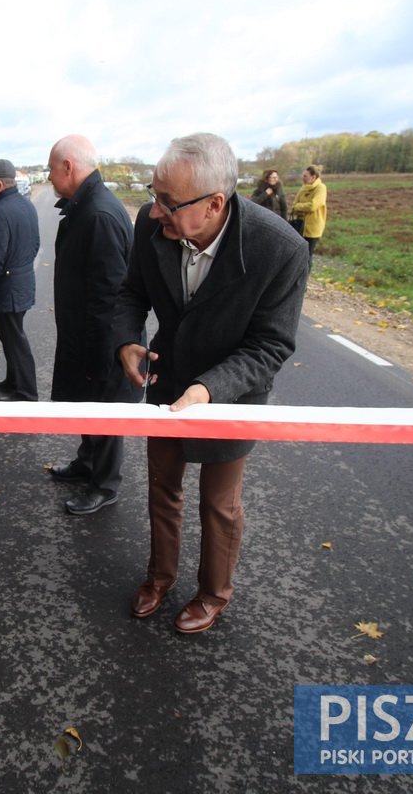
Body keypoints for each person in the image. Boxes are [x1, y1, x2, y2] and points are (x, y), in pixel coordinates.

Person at [113, 133, 309, 634]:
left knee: (220, 504)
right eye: (154, 195)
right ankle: (160, 577)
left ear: (215, 203)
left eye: (167, 201)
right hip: (167, 378)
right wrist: (127, 341)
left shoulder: (279, 249)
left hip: (232, 392)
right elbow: (132, 292)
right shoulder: (150, 221)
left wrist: (207, 389)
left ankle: (214, 592)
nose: (155, 211)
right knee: (163, 488)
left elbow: (270, 346)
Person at [45, 134, 135, 516]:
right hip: (84, 333)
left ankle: (105, 484)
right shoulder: (86, 206)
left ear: (69, 167)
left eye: (51, 169)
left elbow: (112, 293)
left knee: (106, 408)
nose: (49, 177)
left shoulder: (97, 214)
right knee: (87, 404)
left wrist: (105, 353)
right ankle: (87, 461)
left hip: (102, 340)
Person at [0, 158, 39, 402]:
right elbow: (35, 245)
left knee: (14, 337)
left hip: (9, 286)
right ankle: (14, 380)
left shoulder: (2, 211)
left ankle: (26, 391)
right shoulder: (26, 205)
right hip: (21, 281)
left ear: (0, 184)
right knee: (8, 331)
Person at [289, 165, 327, 257]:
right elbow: (294, 206)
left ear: (313, 177)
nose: (303, 178)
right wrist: (301, 207)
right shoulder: (303, 188)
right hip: (300, 226)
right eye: (303, 176)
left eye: (305, 176)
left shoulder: (321, 188)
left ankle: (305, 271)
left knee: (307, 255)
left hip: (313, 228)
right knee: (298, 254)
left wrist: (300, 206)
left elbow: (313, 206)